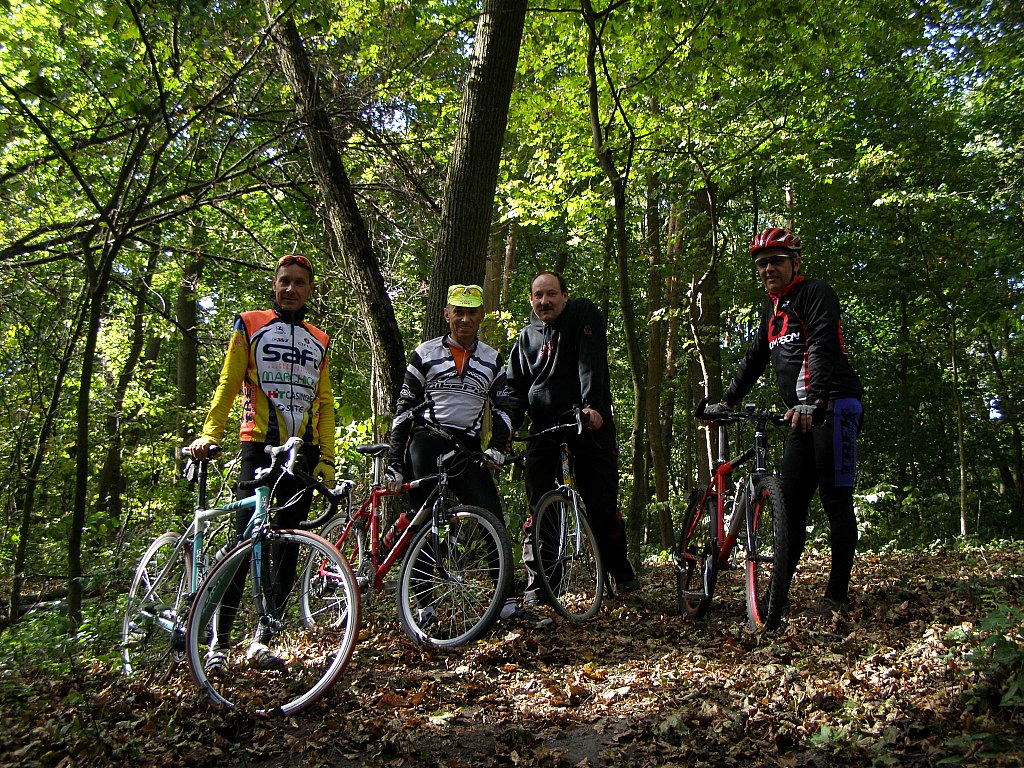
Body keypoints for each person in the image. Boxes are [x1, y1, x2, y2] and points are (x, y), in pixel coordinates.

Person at [703, 227, 864, 619]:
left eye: (775, 261)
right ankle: (778, 597)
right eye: (761, 264)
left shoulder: (814, 293)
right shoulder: (772, 310)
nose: (768, 269)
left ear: (795, 262)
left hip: (835, 403)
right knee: (790, 505)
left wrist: (815, 399)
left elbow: (822, 343)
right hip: (802, 414)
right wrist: (726, 401)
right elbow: (754, 359)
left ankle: (836, 596)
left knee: (835, 500)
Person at [188, 253, 336, 673]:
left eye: (299, 282)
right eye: (284, 281)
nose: (291, 289)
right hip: (258, 443)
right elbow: (229, 382)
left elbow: (325, 402)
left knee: (287, 546)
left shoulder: (320, 339)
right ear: (274, 284)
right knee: (243, 542)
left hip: (302, 452)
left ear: (310, 290)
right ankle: (218, 642)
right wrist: (210, 434)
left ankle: (262, 640)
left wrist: (327, 457)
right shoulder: (250, 324)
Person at [384, 283, 549, 626]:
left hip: (467, 448)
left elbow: (504, 406)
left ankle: (505, 604)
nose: (464, 319)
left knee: (492, 517)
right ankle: (424, 608)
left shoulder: (492, 358)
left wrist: (497, 446)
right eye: (458, 312)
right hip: (426, 441)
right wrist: (395, 461)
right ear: (446, 314)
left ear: (481, 316)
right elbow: (404, 408)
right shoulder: (424, 353)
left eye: (471, 312)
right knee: (423, 520)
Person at [505, 271, 640, 603]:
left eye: (552, 294)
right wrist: (506, 427)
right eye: (538, 296)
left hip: (587, 423)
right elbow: (514, 389)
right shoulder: (526, 339)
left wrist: (593, 405)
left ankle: (618, 570)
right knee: (541, 509)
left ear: (564, 295)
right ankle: (542, 584)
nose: (545, 301)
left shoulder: (582, 314)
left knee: (601, 505)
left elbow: (591, 360)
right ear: (530, 300)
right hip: (545, 430)